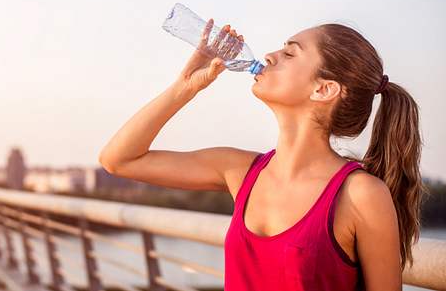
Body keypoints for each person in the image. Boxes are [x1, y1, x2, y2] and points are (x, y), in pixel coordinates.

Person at [98, 19, 426, 291]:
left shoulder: (362, 196)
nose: (269, 55)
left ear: (323, 89)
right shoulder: (239, 171)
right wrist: (185, 87)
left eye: (289, 53)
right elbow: (119, 159)